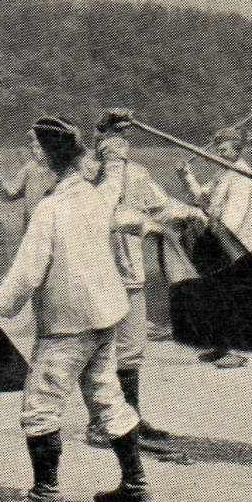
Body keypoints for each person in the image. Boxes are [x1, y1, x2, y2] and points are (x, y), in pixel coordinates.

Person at [0, 116, 150, 502]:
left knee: (40, 405)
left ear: (50, 159)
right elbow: (114, 182)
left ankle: (45, 495)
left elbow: (27, 273)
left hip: (67, 326)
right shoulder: (94, 196)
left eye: (38, 149)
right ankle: (135, 486)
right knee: (107, 398)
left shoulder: (50, 209)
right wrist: (115, 143)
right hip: (105, 318)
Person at [86, 118, 200, 447]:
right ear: (99, 141)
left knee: (131, 349)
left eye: (122, 140)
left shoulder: (136, 173)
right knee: (98, 348)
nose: (117, 147)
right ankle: (100, 423)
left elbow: (160, 206)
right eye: (109, 140)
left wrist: (192, 213)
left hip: (130, 272)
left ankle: (129, 421)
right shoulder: (87, 175)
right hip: (97, 273)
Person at [178, 126, 252, 256]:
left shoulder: (242, 176)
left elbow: (232, 222)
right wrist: (185, 175)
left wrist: (206, 230)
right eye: (218, 151)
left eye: (223, 151)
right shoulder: (223, 173)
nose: (219, 155)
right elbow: (202, 198)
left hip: (243, 248)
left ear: (237, 151)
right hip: (225, 242)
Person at [0, 130, 57, 235]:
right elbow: (13, 191)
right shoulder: (29, 168)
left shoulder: (58, 169)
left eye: (39, 147)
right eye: (32, 148)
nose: (35, 151)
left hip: (53, 219)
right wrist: (1, 184)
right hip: (31, 220)